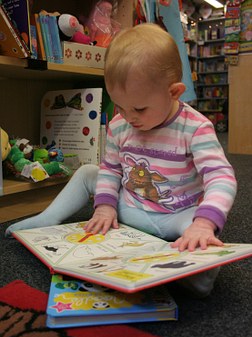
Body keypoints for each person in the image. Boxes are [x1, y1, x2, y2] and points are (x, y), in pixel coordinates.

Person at [6, 23, 237, 297]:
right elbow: (110, 170)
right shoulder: (119, 125)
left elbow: (221, 177)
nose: (129, 117)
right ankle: (47, 218)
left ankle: (190, 271)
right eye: (120, 106)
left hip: (177, 214)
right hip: (129, 207)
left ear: (174, 92)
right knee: (88, 172)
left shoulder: (195, 128)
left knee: (204, 260)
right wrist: (104, 207)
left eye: (139, 108)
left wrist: (203, 224)